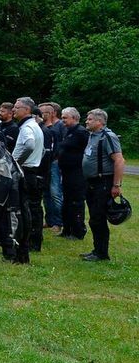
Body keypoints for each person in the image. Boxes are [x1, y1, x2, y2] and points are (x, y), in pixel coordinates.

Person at [81, 108, 125, 262]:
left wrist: (116, 185)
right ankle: (97, 250)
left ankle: (101, 254)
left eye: (90, 119)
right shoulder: (93, 135)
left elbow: (119, 160)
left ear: (100, 122)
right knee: (94, 217)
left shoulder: (107, 137)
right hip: (91, 182)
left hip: (103, 182)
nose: (86, 121)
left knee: (98, 218)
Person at [12, 97, 44, 259]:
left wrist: (17, 162)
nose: (14, 110)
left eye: (17, 107)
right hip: (33, 170)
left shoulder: (27, 128)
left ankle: (27, 243)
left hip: (26, 170)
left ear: (27, 110)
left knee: (24, 209)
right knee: (34, 208)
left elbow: (30, 145)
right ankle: (34, 241)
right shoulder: (35, 126)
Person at [58, 107, 88, 240]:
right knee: (67, 201)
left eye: (65, 117)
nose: (62, 120)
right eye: (62, 117)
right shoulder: (67, 131)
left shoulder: (82, 133)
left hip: (77, 173)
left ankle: (78, 231)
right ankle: (67, 229)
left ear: (75, 118)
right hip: (66, 172)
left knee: (76, 202)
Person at [39, 102, 64, 232]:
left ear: (51, 113)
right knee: (46, 193)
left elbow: (61, 145)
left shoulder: (59, 126)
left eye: (42, 112)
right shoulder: (46, 127)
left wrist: (58, 160)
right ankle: (50, 220)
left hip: (54, 163)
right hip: (46, 163)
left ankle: (59, 222)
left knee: (55, 192)